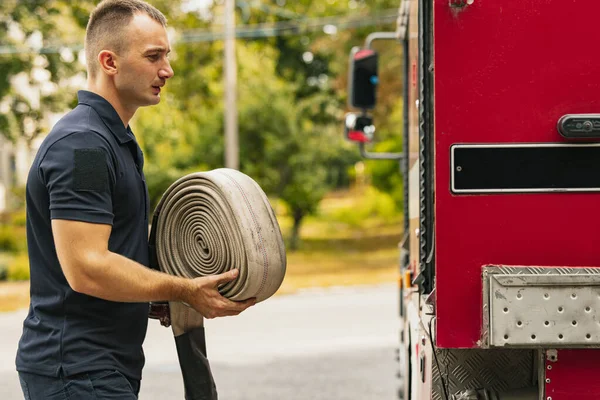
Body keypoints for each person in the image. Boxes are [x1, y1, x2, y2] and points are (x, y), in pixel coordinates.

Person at [15, 0, 255, 398]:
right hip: (76, 370)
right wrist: (183, 289)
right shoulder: (84, 147)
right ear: (109, 61)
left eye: (167, 56)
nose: (168, 70)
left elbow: (111, 253)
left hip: (99, 367)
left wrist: (149, 296)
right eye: (153, 56)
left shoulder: (112, 141)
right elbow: (87, 268)